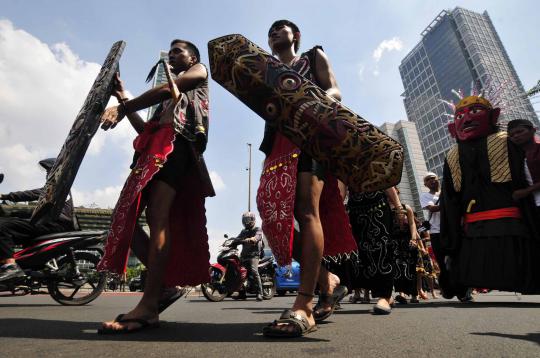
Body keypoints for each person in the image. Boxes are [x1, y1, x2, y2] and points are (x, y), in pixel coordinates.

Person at [97, 39, 214, 334]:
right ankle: (163, 287)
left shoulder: (199, 72)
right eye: (170, 51)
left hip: (175, 147)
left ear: (193, 58)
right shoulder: (166, 100)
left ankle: (149, 307)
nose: (173, 54)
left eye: (179, 51)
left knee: (158, 217)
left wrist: (122, 108)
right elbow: (145, 129)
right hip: (154, 148)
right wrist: (123, 97)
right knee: (123, 219)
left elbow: (165, 89)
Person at [259, 20, 354, 337]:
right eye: (270, 31)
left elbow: (335, 89)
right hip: (277, 141)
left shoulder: (313, 57)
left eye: (280, 29)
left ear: (295, 36)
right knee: (270, 212)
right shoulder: (266, 68)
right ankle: (327, 279)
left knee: (305, 210)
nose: (274, 33)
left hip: (310, 134)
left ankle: (304, 303)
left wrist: (318, 101)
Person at [440, 95, 540, 297]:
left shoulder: (507, 141)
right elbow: (450, 198)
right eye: (460, 115)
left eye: (475, 112)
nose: (466, 119)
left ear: (493, 116)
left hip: (510, 215)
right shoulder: (452, 155)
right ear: (453, 126)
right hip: (472, 220)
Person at [0, 158, 76, 281]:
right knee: (12, 225)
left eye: (48, 171)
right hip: (51, 223)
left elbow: (32, 194)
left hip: (54, 225)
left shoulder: (59, 186)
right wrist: (13, 213)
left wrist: (4, 195)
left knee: (2, 226)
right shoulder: (57, 190)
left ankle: (10, 266)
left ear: (56, 171)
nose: (47, 174)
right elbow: (36, 211)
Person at [346, 187, 403, 315]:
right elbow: (342, 186)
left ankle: (385, 296)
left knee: (382, 250)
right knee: (364, 253)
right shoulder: (345, 166)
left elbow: (387, 184)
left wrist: (399, 208)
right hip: (355, 212)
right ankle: (385, 295)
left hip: (379, 207)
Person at [508, 119, 540, 213]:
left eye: (520, 131)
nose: (516, 136)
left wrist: (527, 191)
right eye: (512, 135)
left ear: (533, 130)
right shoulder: (516, 159)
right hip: (531, 207)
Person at [235, 212, 264, 301]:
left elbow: (258, 236)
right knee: (238, 272)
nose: (246, 221)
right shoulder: (243, 231)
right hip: (244, 255)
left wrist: (253, 239)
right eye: (245, 220)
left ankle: (260, 293)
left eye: (248, 220)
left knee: (254, 271)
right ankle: (242, 293)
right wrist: (232, 241)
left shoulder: (257, 229)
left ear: (253, 220)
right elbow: (237, 238)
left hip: (254, 255)